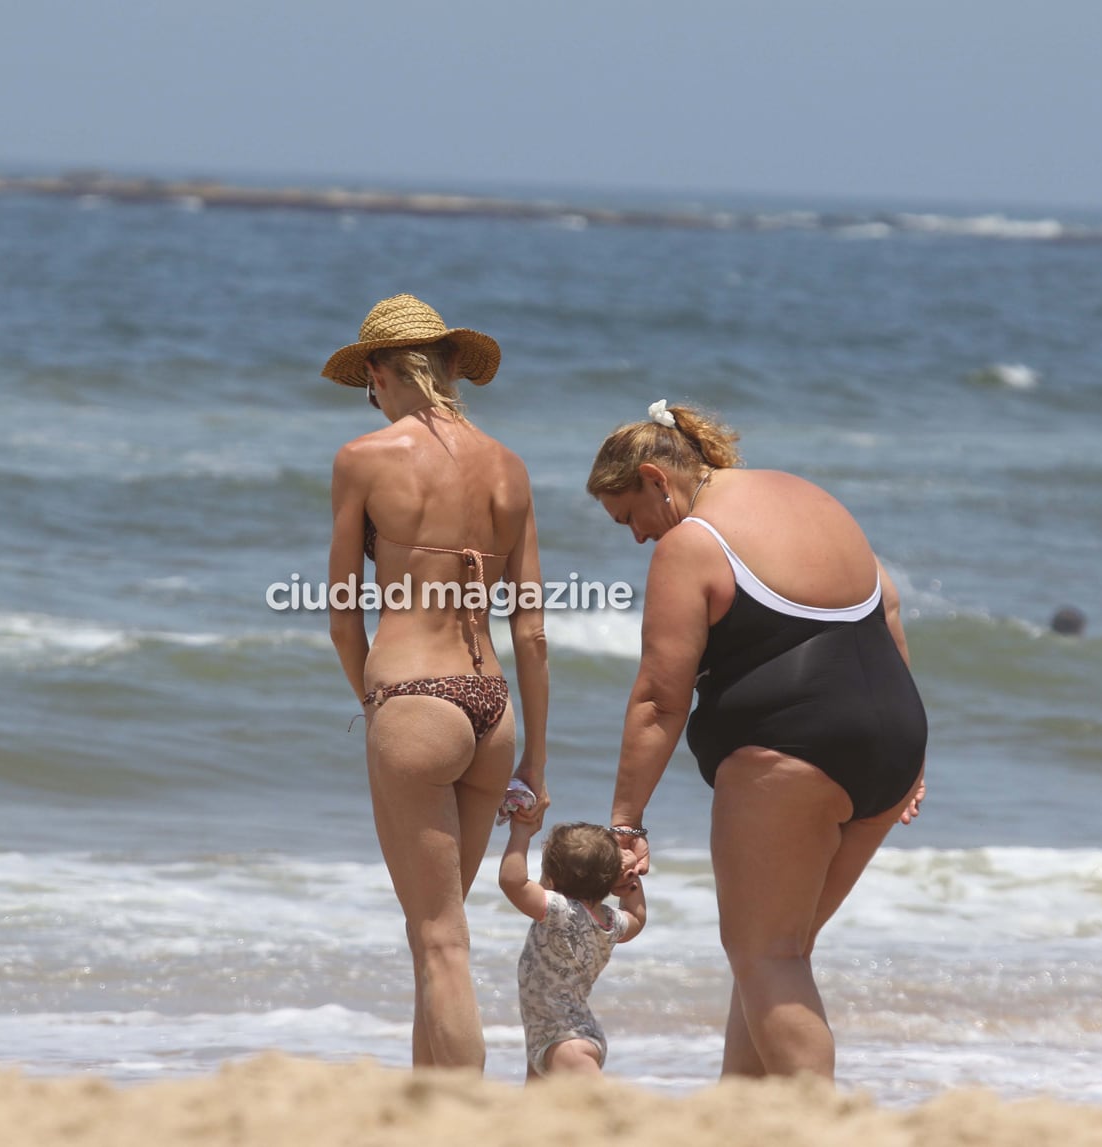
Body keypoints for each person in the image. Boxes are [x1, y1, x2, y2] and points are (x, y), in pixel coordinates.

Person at [586, 400, 926, 1082]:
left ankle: (823, 1128)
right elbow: (886, 601)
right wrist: (909, 761)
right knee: (774, 954)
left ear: (656, 479)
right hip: (895, 743)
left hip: (791, 753)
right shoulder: (808, 496)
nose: (638, 539)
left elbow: (659, 697)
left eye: (630, 518)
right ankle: (740, 1115)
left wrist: (624, 823)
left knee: (767, 954)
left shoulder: (694, 541)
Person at [324, 295, 550, 1072]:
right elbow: (532, 630)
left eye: (369, 381)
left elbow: (344, 616)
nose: (370, 398)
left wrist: (382, 703)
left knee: (439, 940)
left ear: (385, 373)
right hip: (494, 711)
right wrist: (535, 765)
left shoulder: (363, 458)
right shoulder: (510, 467)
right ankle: (428, 1107)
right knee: (440, 930)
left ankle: (460, 1117)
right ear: (454, 368)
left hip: (415, 701)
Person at [499, 820, 646, 1080]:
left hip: (564, 1039)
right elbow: (636, 917)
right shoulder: (610, 922)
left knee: (599, 1104)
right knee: (535, 1112)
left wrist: (520, 832)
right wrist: (631, 880)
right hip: (562, 1032)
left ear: (552, 880)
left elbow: (512, 882)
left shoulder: (559, 910)